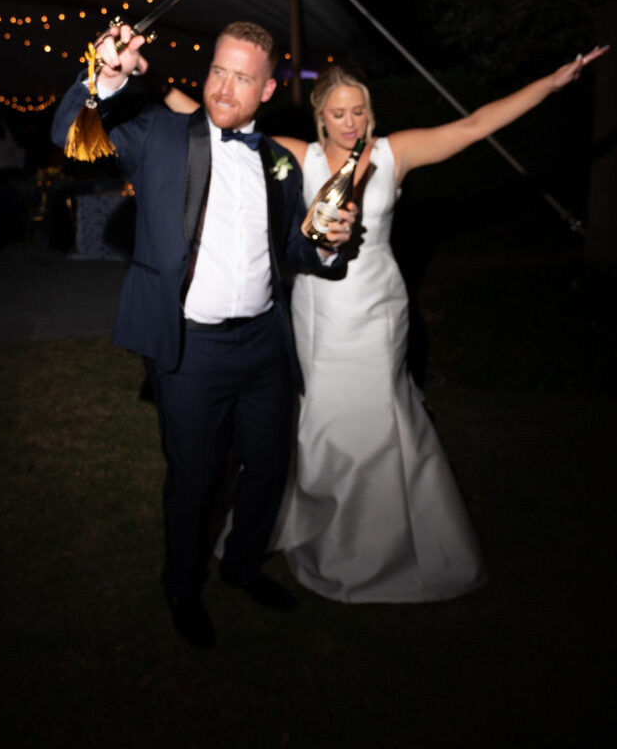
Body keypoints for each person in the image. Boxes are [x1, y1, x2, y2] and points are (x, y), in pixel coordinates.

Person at [164, 43, 609, 603]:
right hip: (313, 311)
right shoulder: (296, 158)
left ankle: (379, 541)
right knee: (317, 419)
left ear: (369, 112)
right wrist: (144, 78)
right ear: (320, 116)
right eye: (338, 113)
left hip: (377, 311)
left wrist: (553, 80)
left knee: (377, 415)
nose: (350, 124)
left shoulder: (395, 154)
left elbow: (473, 126)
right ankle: (316, 526)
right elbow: (210, 122)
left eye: (359, 112)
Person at [51, 20, 356, 648]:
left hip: (267, 348)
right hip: (192, 350)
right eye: (219, 70)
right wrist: (102, 78)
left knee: (268, 468)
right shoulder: (161, 134)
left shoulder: (277, 161)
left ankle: (242, 565)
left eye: (243, 77)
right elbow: (68, 137)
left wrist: (327, 244)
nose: (224, 86)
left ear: (268, 89)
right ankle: (182, 586)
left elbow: (292, 252)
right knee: (194, 479)